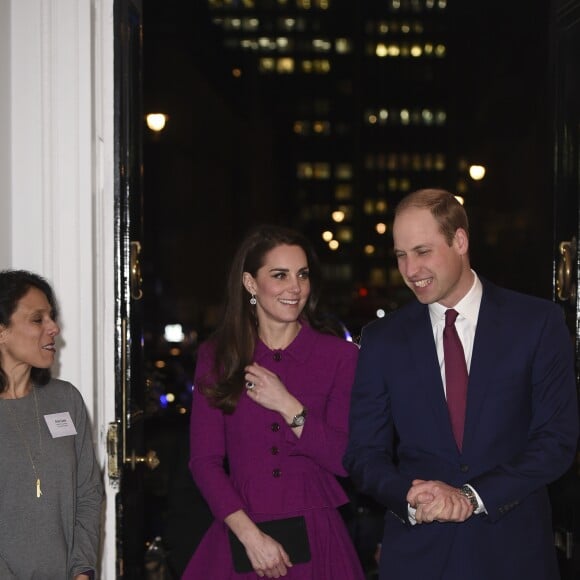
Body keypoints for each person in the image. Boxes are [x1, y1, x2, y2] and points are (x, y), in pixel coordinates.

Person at [344, 189, 579, 580]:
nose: (410, 269)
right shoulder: (382, 339)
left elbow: (557, 441)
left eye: (422, 251)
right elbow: (362, 455)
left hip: (514, 554)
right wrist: (409, 495)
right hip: (418, 557)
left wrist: (473, 497)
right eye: (401, 255)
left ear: (460, 241)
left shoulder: (536, 323)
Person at [182, 225, 365, 579]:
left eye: (302, 275)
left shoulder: (340, 356)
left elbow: (346, 460)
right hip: (242, 530)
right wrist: (251, 537)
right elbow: (203, 461)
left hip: (318, 533)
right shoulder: (217, 357)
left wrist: (288, 406)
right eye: (279, 275)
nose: (294, 288)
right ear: (251, 284)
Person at [0, 270, 104, 579]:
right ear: (2, 331)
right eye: (37, 319)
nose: (54, 328)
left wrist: (82, 570)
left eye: (52, 317)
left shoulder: (66, 400)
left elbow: (88, 493)